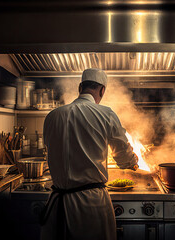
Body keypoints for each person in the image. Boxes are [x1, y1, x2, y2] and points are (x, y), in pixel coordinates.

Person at [41, 68, 139, 240]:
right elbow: (123, 157)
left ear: (80, 88)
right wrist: (132, 161)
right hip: (91, 204)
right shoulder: (106, 114)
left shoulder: (52, 116)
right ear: (102, 90)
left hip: (58, 204)